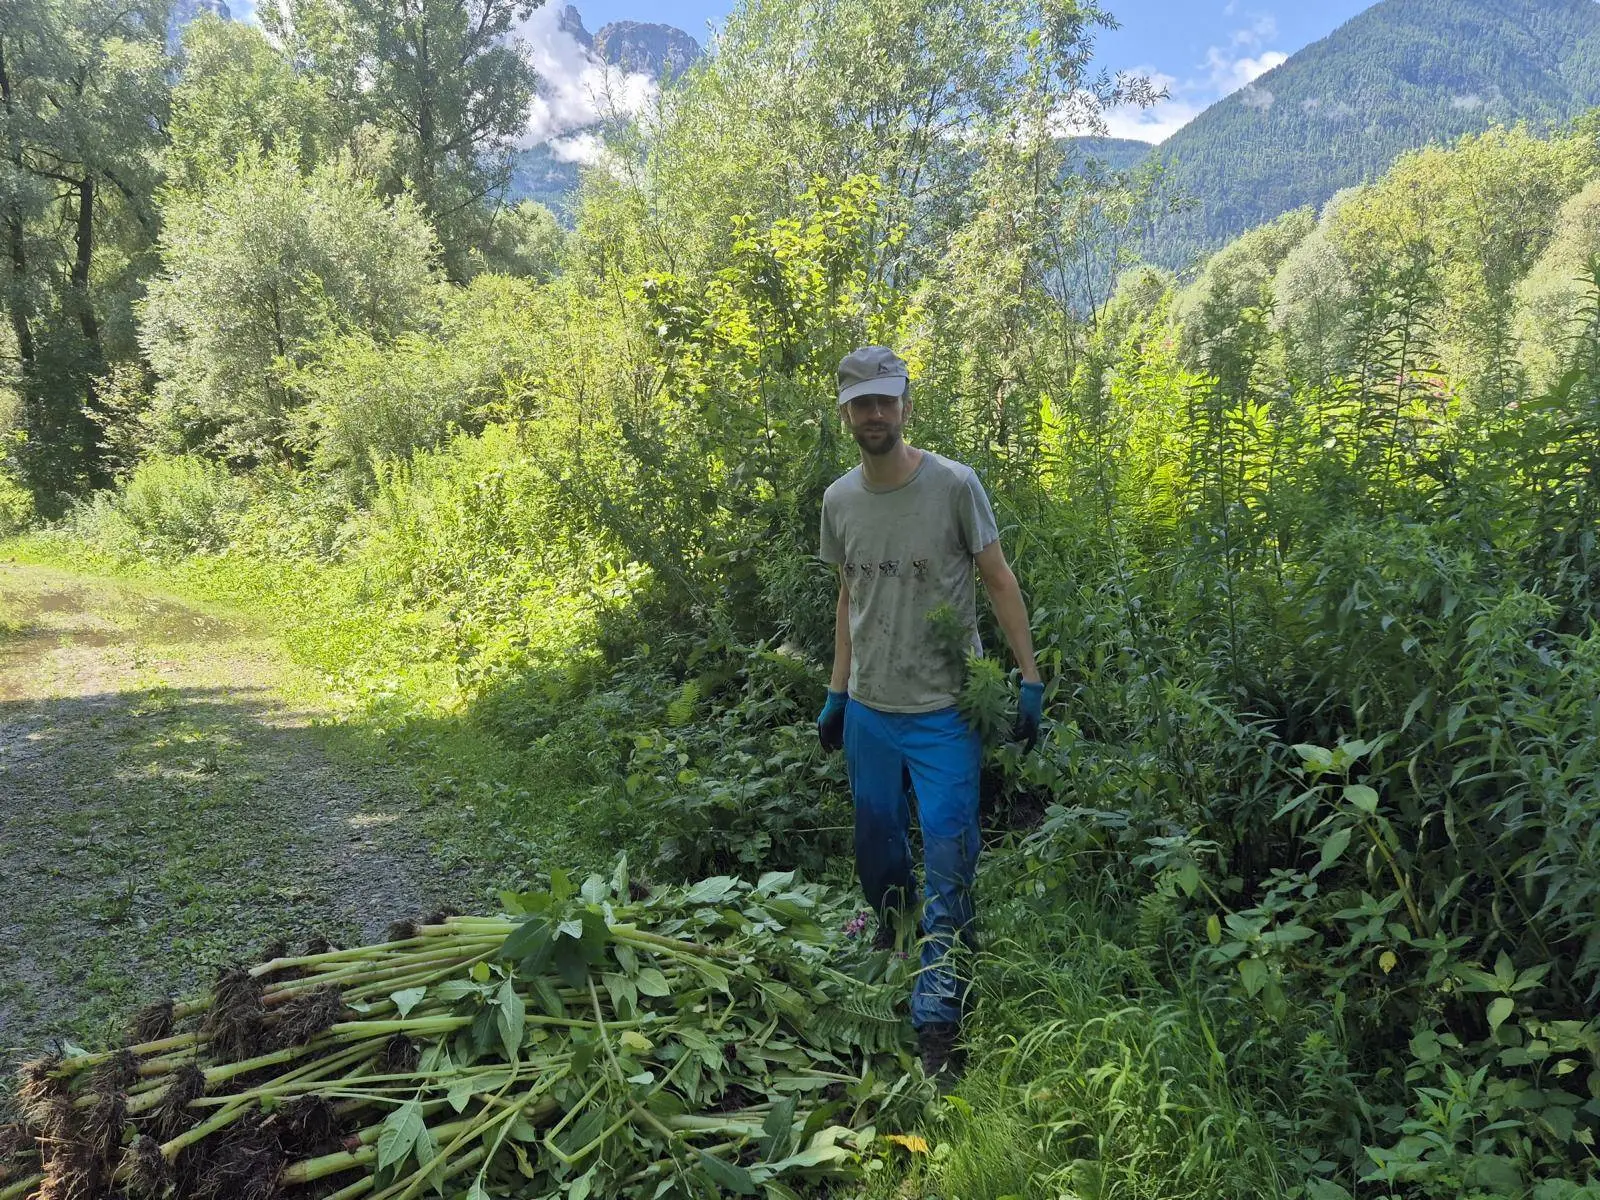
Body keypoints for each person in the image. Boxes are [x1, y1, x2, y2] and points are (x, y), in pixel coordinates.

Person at [815, 345, 1043, 1084]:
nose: (875, 413)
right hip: (873, 712)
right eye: (862, 402)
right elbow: (850, 593)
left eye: (887, 400)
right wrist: (837, 690)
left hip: (945, 711)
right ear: (846, 412)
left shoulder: (953, 486)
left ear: (906, 403)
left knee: (950, 851)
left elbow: (1000, 580)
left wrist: (1029, 679)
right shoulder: (839, 500)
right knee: (877, 845)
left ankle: (938, 1012)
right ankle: (894, 927)